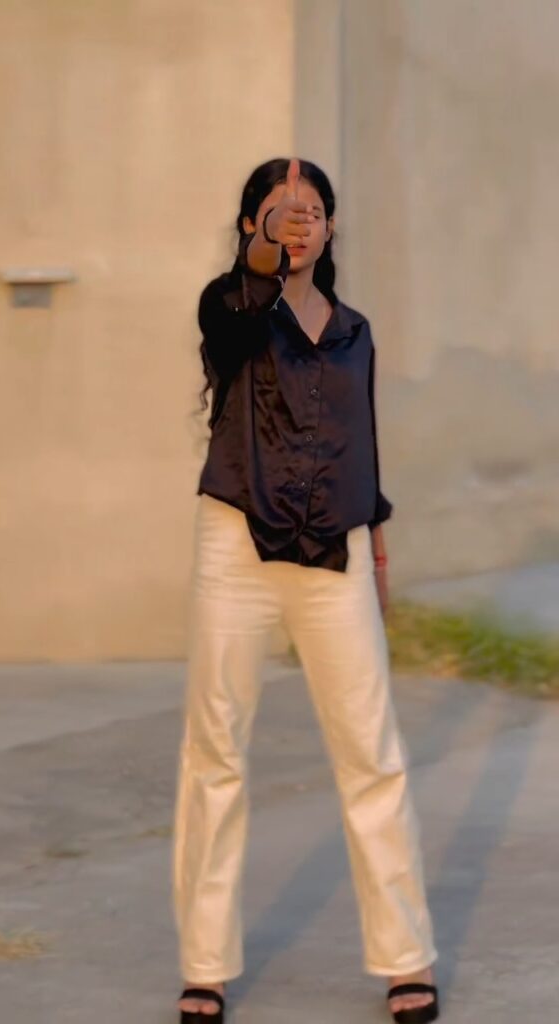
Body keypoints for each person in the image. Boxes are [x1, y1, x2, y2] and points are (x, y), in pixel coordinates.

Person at [173, 157, 439, 1024]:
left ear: (330, 228)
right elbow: (240, 312)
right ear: (252, 223)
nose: (298, 220)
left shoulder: (355, 330)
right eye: (280, 209)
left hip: (337, 549)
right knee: (216, 754)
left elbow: (362, 441)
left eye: (312, 209)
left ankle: (405, 958)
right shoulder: (230, 307)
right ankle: (205, 966)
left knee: (372, 753)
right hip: (237, 545)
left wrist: (378, 549)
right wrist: (263, 256)